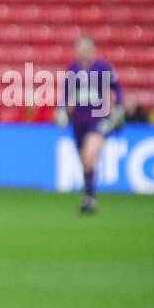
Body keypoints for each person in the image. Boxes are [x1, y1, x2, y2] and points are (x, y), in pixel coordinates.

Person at [57, 34, 123, 214]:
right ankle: (89, 194)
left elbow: (118, 90)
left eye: (85, 48)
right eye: (79, 48)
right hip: (78, 121)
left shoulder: (103, 68)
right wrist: (62, 110)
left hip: (98, 119)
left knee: (89, 155)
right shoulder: (73, 69)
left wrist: (118, 110)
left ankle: (89, 198)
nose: (82, 52)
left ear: (93, 49)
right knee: (84, 161)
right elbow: (66, 93)